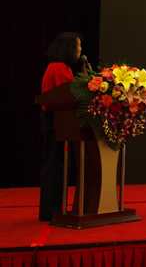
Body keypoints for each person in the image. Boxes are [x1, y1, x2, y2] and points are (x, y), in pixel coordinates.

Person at [39, 32, 88, 221]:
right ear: (69, 48)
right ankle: (52, 209)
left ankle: (54, 208)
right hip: (57, 120)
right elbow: (67, 95)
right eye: (78, 45)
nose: (80, 49)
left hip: (58, 120)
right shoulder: (59, 67)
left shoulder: (61, 67)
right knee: (55, 166)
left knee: (58, 164)